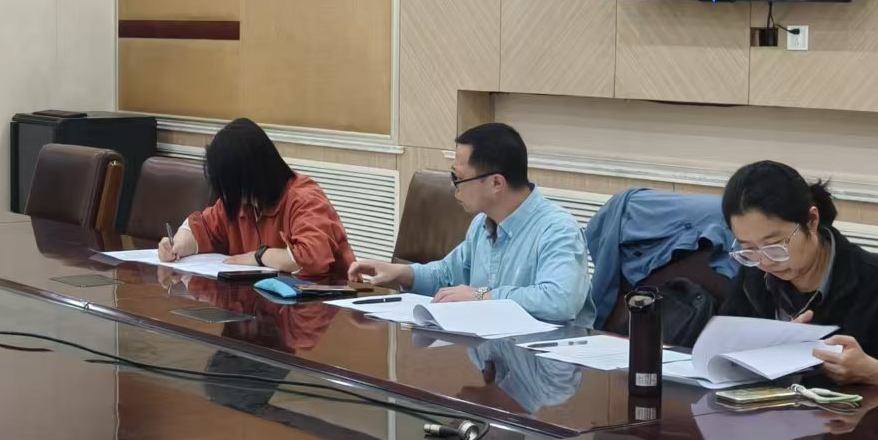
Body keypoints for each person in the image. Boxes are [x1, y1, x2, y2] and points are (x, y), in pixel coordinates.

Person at [719, 160, 878, 395]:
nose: (765, 262)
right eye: (749, 248)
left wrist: (872, 373)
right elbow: (722, 348)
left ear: (811, 221)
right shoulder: (754, 275)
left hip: (854, 415)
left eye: (775, 245)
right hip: (767, 411)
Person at [348, 123, 595, 327]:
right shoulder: (482, 225)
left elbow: (559, 300)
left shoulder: (557, 229)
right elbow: (447, 274)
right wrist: (401, 273)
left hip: (547, 361)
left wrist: (481, 296)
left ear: (496, 183)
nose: (453, 186)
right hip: (492, 349)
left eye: (459, 178)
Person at [158, 118, 354, 277]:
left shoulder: (303, 199)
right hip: (263, 303)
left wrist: (259, 256)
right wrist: (177, 246)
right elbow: (200, 228)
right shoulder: (239, 202)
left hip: (323, 305)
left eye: (230, 185)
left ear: (250, 175)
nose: (226, 195)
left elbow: (312, 258)